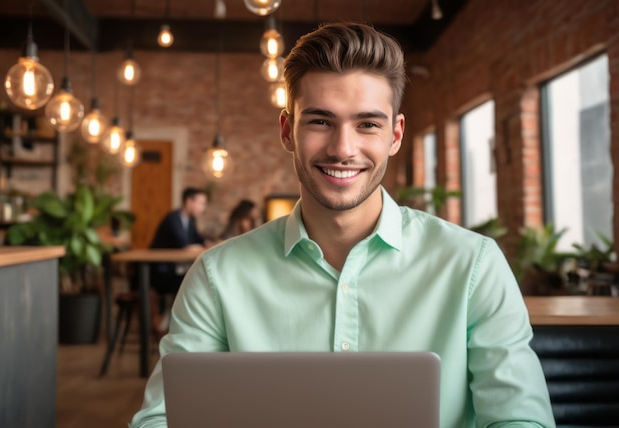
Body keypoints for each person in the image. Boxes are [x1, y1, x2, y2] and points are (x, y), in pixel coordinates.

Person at [130, 22, 555, 427]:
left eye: (367, 124)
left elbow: (520, 417)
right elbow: (161, 418)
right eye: (320, 121)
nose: (342, 148)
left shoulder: (472, 267)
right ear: (287, 131)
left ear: (395, 135)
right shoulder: (216, 277)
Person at [148, 187, 209, 334]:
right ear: (189, 201)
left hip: (175, 270)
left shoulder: (190, 220)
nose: (203, 208)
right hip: (160, 272)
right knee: (192, 281)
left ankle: (174, 322)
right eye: (201, 203)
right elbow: (183, 244)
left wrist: (207, 243)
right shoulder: (173, 219)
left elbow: (198, 240)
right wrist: (198, 246)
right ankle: (174, 324)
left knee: (194, 279)